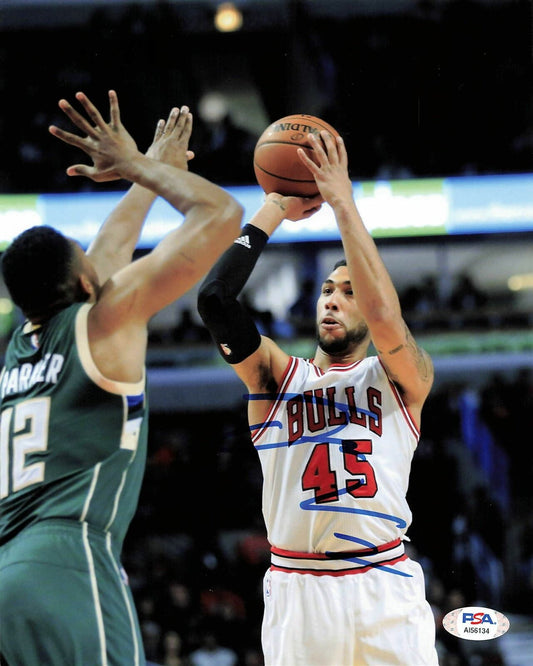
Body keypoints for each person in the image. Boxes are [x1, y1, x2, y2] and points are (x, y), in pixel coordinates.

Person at [0, 90, 242, 666]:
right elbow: (222, 215)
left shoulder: (21, 344)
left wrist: (150, 170)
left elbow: (106, 252)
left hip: (7, 571)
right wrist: (140, 166)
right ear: (86, 286)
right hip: (70, 560)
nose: (99, 262)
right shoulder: (106, 318)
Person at [198, 129, 438, 665]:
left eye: (349, 291)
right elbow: (215, 299)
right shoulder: (277, 377)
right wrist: (273, 209)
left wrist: (342, 201)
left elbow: (385, 316)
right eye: (328, 289)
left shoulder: (402, 378)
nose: (333, 299)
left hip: (385, 581)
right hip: (300, 586)